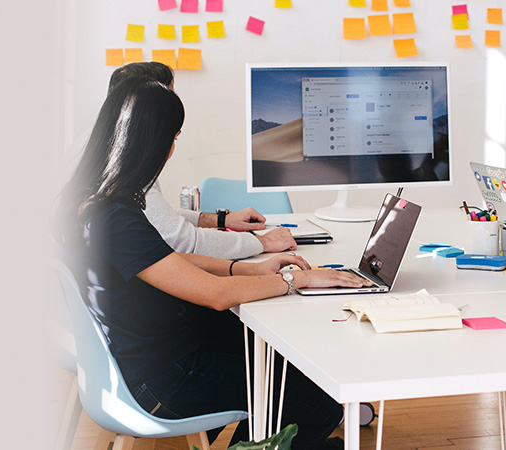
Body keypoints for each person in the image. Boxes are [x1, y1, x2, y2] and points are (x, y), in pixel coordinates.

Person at [60, 79, 371, 449]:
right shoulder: (115, 215)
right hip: (163, 382)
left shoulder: (93, 203)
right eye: (173, 136)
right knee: (316, 403)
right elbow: (216, 296)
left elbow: (166, 262)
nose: (173, 148)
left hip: (147, 365)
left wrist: (247, 269)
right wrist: (296, 280)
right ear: (151, 140)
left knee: (273, 362)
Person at [111, 62, 296, 259]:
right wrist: (264, 242)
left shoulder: (115, 150)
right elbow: (186, 242)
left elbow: (158, 218)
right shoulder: (123, 169)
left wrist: (222, 220)